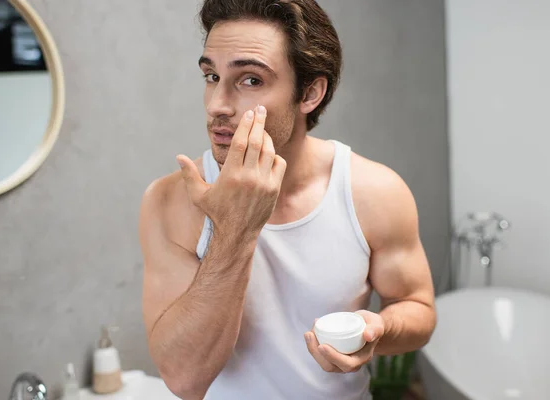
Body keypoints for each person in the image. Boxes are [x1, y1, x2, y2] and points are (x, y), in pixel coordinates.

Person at [138, 1, 437, 399]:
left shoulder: (374, 192)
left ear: (310, 92)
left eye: (250, 80)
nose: (217, 105)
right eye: (212, 75)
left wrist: (377, 332)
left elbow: (417, 308)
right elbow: (183, 378)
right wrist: (237, 229)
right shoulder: (169, 202)